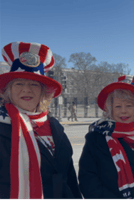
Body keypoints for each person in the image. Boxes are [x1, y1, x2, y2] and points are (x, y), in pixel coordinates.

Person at [0, 42, 82, 199]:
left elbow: (69, 175)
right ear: (8, 91)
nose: (26, 89)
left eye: (33, 84)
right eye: (19, 83)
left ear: (43, 92)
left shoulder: (55, 126)